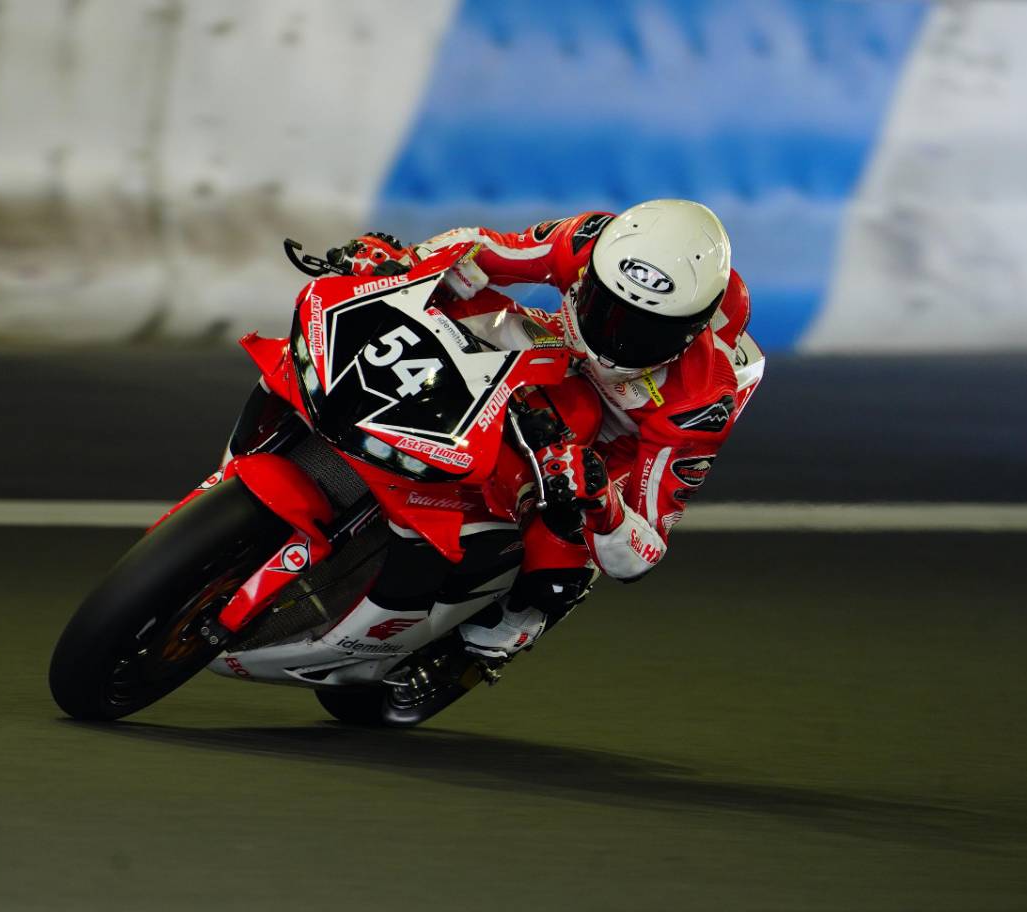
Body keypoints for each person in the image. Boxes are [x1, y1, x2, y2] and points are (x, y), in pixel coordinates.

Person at [326, 200, 765, 670]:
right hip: (554, 347)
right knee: (445, 307)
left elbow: (643, 551)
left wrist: (601, 500)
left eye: (645, 333)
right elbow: (482, 249)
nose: (613, 340)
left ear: (690, 334)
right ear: (591, 277)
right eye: (605, 309)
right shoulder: (588, 240)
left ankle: (524, 617)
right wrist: (407, 263)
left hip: (614, 443)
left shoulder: (700, 405)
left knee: (560, 554)